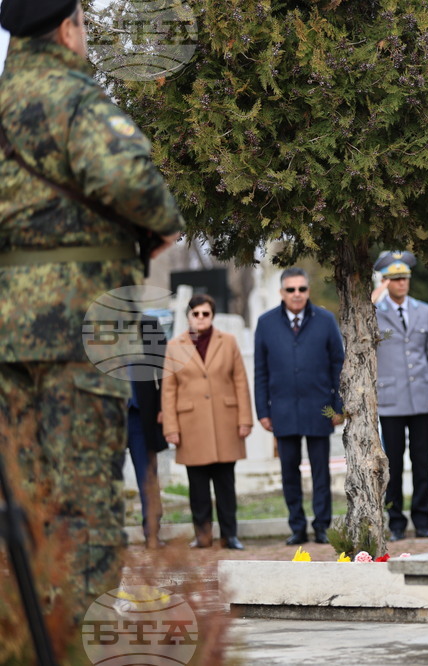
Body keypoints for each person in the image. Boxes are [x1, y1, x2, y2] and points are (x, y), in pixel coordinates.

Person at [0, 0, 183, 632]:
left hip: (6, 334)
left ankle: (26, 640)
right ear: (67, 28)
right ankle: (80, 643)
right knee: (86, 504)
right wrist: (161, 225)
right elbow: (127, 177)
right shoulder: (74, 97)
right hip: (79, 326)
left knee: (23, 501)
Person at [255, 267, 345, 545]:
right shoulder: (266, 323)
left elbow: (338, 366)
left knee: (321, 472)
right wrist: (263, 411)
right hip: (282, 410)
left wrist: (338, 406)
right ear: (282, 292)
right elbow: (260, 371)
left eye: (301, 289)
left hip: (319, 409)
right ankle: (297, 526)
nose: (297, 294)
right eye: (291, 289)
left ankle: (322, 526)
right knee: (289, 473)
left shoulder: (325, 320)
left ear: (308, 291)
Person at [162, 295, 253, 550]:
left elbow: (240, 382)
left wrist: (245, 419)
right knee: (198, 486)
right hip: (190, 425)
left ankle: (229, 535)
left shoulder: (228, 342)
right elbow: (168, 390)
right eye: (196, 314)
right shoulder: (174, 346)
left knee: (226, 484)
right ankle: (202, 535)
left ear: (212, 316)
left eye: (206, 314)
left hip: (225, 422)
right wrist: (171, 427)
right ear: (188, 316)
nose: (201, 318)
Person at [374, 251, 428, 541]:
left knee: (421, 461)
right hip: (390, 399)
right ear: (385, 281)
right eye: (395, 278)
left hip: (420, 395)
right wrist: (373, 298)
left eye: (405, 277)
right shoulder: (375, 311)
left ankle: (423, 519)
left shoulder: (423, 310)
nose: (402, 283)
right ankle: (396, 523)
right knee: (393, 464)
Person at [126, 314, 170, 549]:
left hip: (141, 414)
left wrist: (162, 407)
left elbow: (165, 369)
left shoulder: (149, 325)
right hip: (105, 416)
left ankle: (152, 533)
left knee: (147, 476)